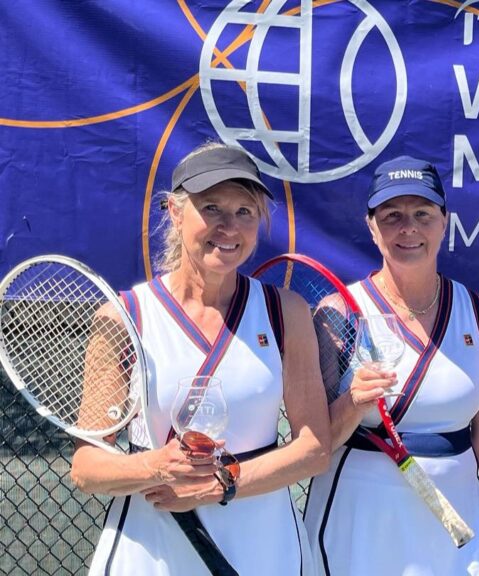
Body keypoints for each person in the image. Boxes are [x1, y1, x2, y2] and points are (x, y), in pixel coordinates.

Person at [70, 142, 331, 575]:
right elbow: (86, 467)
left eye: (244, 212)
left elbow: (314, 449)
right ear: (174, 211)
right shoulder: (123, 316)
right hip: (151, 550)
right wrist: (155, 466)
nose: (229, 227)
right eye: (211, 208)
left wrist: (220, 485)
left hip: (263, 548)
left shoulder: (286, 312)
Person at [303, 156, 479, 576]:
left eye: (423, 214)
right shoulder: (337, 314)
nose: (409, 228)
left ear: (444, 222)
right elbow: (315, 445)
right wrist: (352, 403)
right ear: (372, 226)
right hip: (357, 529)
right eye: (392, 216)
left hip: (455, 530)